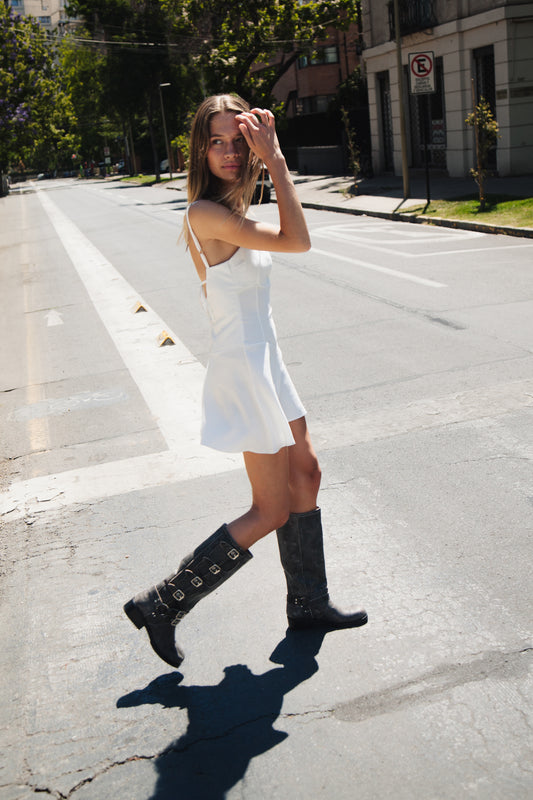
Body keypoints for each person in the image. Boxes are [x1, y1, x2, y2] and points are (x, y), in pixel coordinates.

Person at [124, 94, 367, 669]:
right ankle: (163, 601)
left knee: (308, 472)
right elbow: (298, 240)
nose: (230, 153)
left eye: (240, 141)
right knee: (271, 509)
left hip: (266, 357)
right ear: (199, 150)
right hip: (245, 366)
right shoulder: (207, 212)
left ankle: (308, 602)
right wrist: (278, 161)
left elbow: (222, 290)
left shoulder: (232, 205)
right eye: (217, 142)